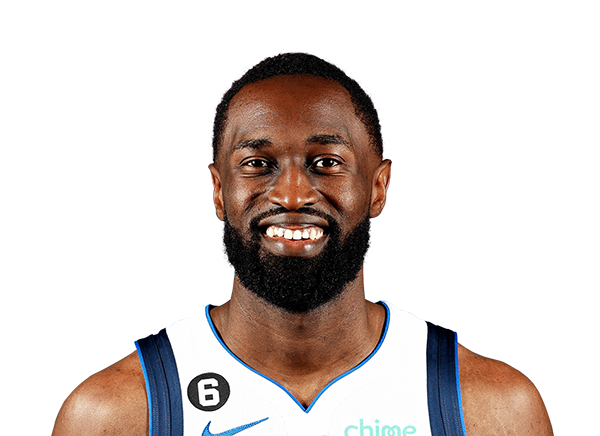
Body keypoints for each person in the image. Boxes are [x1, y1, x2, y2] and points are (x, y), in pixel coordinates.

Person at [53, 50, 553, 436]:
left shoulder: (489, 409)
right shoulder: (116, 413)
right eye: (258, 164)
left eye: (326, 163)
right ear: (217, 190)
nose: (292, 195)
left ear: (378, 187)